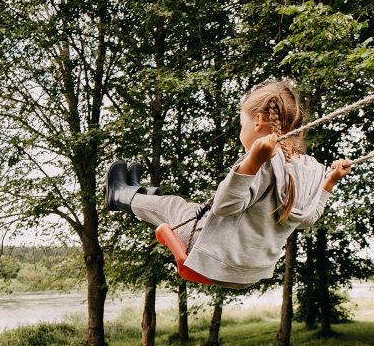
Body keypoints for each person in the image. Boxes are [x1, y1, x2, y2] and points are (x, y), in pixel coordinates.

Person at [105, 79, 351, 289]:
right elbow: (307, 219)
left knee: (172, 206)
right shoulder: (308, 170)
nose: (240, 131)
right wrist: (329, 183)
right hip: (251, 272)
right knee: (186, 207)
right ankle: (139, 192)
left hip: (215, 258)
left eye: (241, 124)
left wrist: (252, 162)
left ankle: (120, 195)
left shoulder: (265, 162)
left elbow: (224, 206)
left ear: (259, 121)